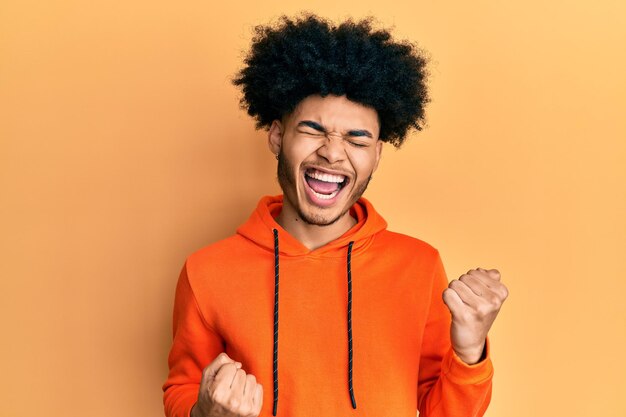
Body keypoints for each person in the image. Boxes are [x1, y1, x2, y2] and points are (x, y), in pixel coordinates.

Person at [162, 13, 508, 417]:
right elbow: (181, 390)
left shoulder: (420, 265)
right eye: (312, 130)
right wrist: (204, 411)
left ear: (377, 154)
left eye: (357, 138)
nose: (332, 151)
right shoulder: (206, 271)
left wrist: (469, 352)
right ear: (277, 136)